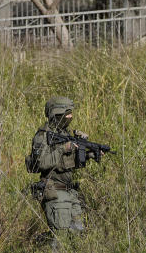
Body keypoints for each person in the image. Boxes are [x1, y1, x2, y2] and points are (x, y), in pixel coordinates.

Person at [27, 96, 102, 242]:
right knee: (60, 238)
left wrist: (88, 155)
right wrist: (63, 148)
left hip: (70, 192)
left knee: (78, 235)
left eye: (71, 114)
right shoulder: (43, 135)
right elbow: (41, 163)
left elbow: (68, 162)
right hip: (54, 192)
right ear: (57, 113)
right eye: (67, 114)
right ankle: (39, 245)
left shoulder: (65, 134)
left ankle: (40, 244)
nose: (70, 117)